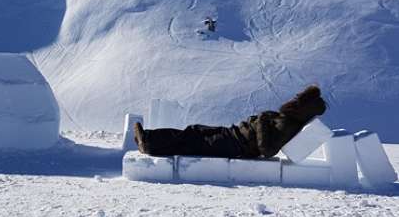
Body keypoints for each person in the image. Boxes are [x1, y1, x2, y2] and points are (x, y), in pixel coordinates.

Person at [133, 85, 326, 159]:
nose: (295, 99)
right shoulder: (287, 119)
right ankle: (149, 138)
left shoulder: (288, 125)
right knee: (194, 131)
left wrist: (261, 122)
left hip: (236, 145)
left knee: (193, 141)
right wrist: (262, 120)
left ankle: (149, 144)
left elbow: (267, 150)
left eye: (300, 100)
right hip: (234, 135)